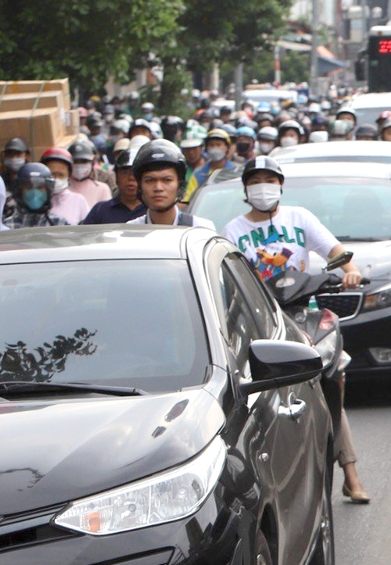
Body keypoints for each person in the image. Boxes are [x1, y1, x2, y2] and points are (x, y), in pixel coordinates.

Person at [221, 155, 371, 502]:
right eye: (255, 181)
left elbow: (335, 251)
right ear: (245, 189)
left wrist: (351, 269)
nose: (263, 188)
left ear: (281, 185)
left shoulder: (299, 218)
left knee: (332, 379)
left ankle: (351, 472)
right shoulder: (232, 231)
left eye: (269, 180)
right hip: (260, 320)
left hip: (304, 313)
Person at [130, 141, 212, 228]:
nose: (158, 188)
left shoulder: (201, 229)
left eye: (167, 180)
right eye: (150, 180)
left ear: (179, 185)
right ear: (140, 186)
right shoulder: (130, 231)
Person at [82, 145, 148, 223]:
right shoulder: (100, 211)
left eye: (135, 173)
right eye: (125, 172)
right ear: (116, 177)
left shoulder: (154, 210)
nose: (131, 178)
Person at [40, 146, 95, 224]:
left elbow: (88, 231)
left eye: (61, 175)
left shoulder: (78, 201)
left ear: (68, 175)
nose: (56, 179)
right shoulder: (36, 200)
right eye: (52, 175)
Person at [6, 161, 68, 227]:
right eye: (29, 187)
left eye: (40, 187)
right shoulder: (8, 226)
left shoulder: (59, 224)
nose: (34, 192)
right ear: (20, 191)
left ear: (48, 191)